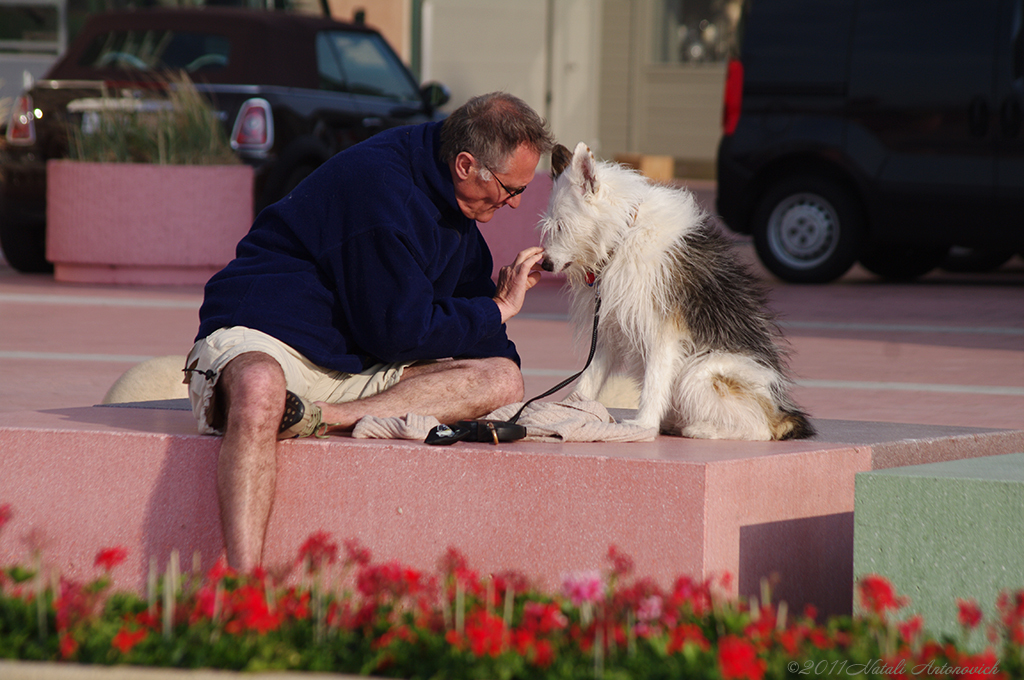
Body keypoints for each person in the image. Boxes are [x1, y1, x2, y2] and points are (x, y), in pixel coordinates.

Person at [184, 92, 555, 571]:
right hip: (265, 336)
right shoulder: (383, 189)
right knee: (259, 388)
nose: (516, 202)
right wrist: (499, 307)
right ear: (466, 164)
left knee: (502, 378)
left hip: (351, 359)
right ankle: (243, 586)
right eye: (510, 188)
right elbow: (398, 333)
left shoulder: (453, 203)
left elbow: (470, 329)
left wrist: (499, 359)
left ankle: (316, 416)